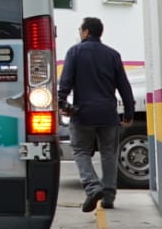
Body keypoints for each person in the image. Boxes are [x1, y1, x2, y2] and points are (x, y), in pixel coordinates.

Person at [58, 16, 136, 212]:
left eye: (80, 30)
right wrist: (128, 112)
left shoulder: (74, 52)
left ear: (86, 32)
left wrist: (61, 101)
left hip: (83, 113)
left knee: (81, 151)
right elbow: (124, 86)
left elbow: (65, 82)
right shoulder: (113, 55)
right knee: (109, 153)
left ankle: (92, 187)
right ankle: (108, 197)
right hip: (108, 114)